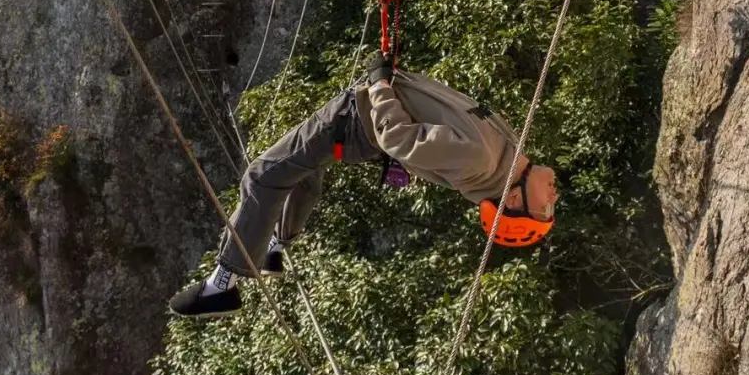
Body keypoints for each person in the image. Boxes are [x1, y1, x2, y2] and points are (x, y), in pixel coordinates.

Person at [169, 51, 559, 319]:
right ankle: (275, 246)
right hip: (360, 120)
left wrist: (379, 86)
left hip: (356, 118)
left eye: (545, 207)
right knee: (301, 170)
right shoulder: (508, 150)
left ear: (511, 196)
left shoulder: (482, 160)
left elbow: (400, 140)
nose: (554, 197)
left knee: (264, 176)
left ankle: (223, 284)